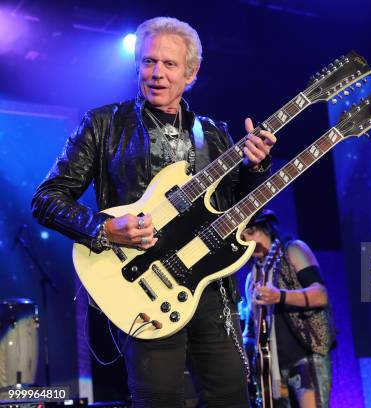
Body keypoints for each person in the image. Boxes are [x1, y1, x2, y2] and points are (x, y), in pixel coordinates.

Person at [31, 17, 276, 408]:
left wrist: (255, 168)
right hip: (144, 285)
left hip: (209, 286)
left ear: (191, 74)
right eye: (148, 62)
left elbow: (237, 213)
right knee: (158, 400)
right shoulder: (103, 124)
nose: (156, 73)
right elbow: (47, 199)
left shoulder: (214, 133)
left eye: (169, 64)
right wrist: (107, 229)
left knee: (231, 395)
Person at [240, 210, 335, 408]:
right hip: (272, 370)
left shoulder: (293, 250)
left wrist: (279, 296)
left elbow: (320, 295)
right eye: (242, 238)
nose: (248, 240)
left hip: (306, 357)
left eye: (251, 232)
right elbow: (251, 328)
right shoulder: (252, 278)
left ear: (265, 227)